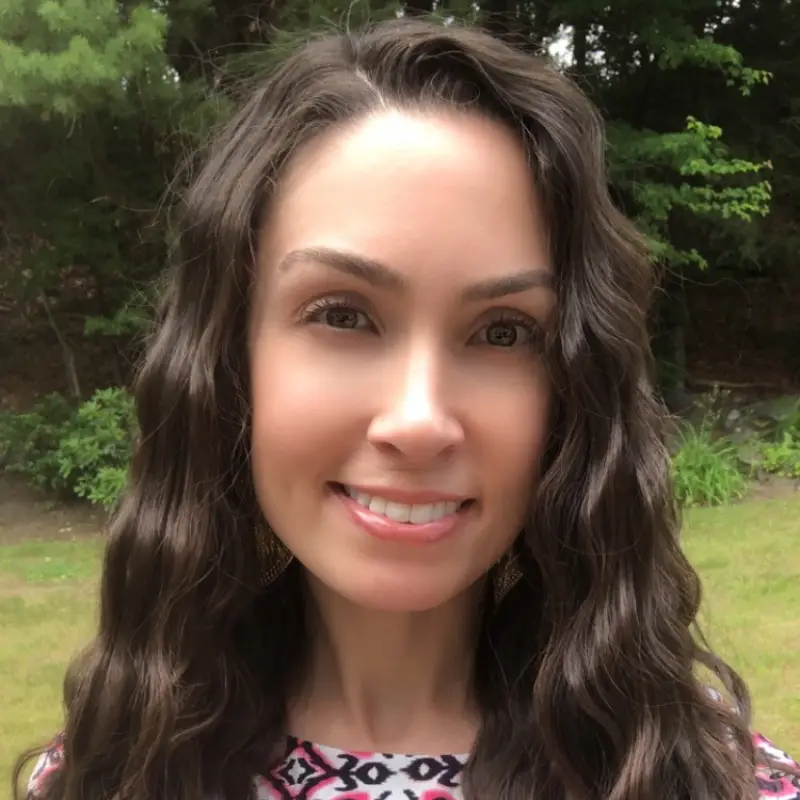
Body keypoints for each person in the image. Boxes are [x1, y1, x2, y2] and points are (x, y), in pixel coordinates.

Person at [16, 17, 799, 800]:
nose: (419, 420)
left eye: (503, 332)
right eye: (344, 315)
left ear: (574, 389)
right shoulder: (103, 775)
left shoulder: (713, 781)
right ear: (229, 361)